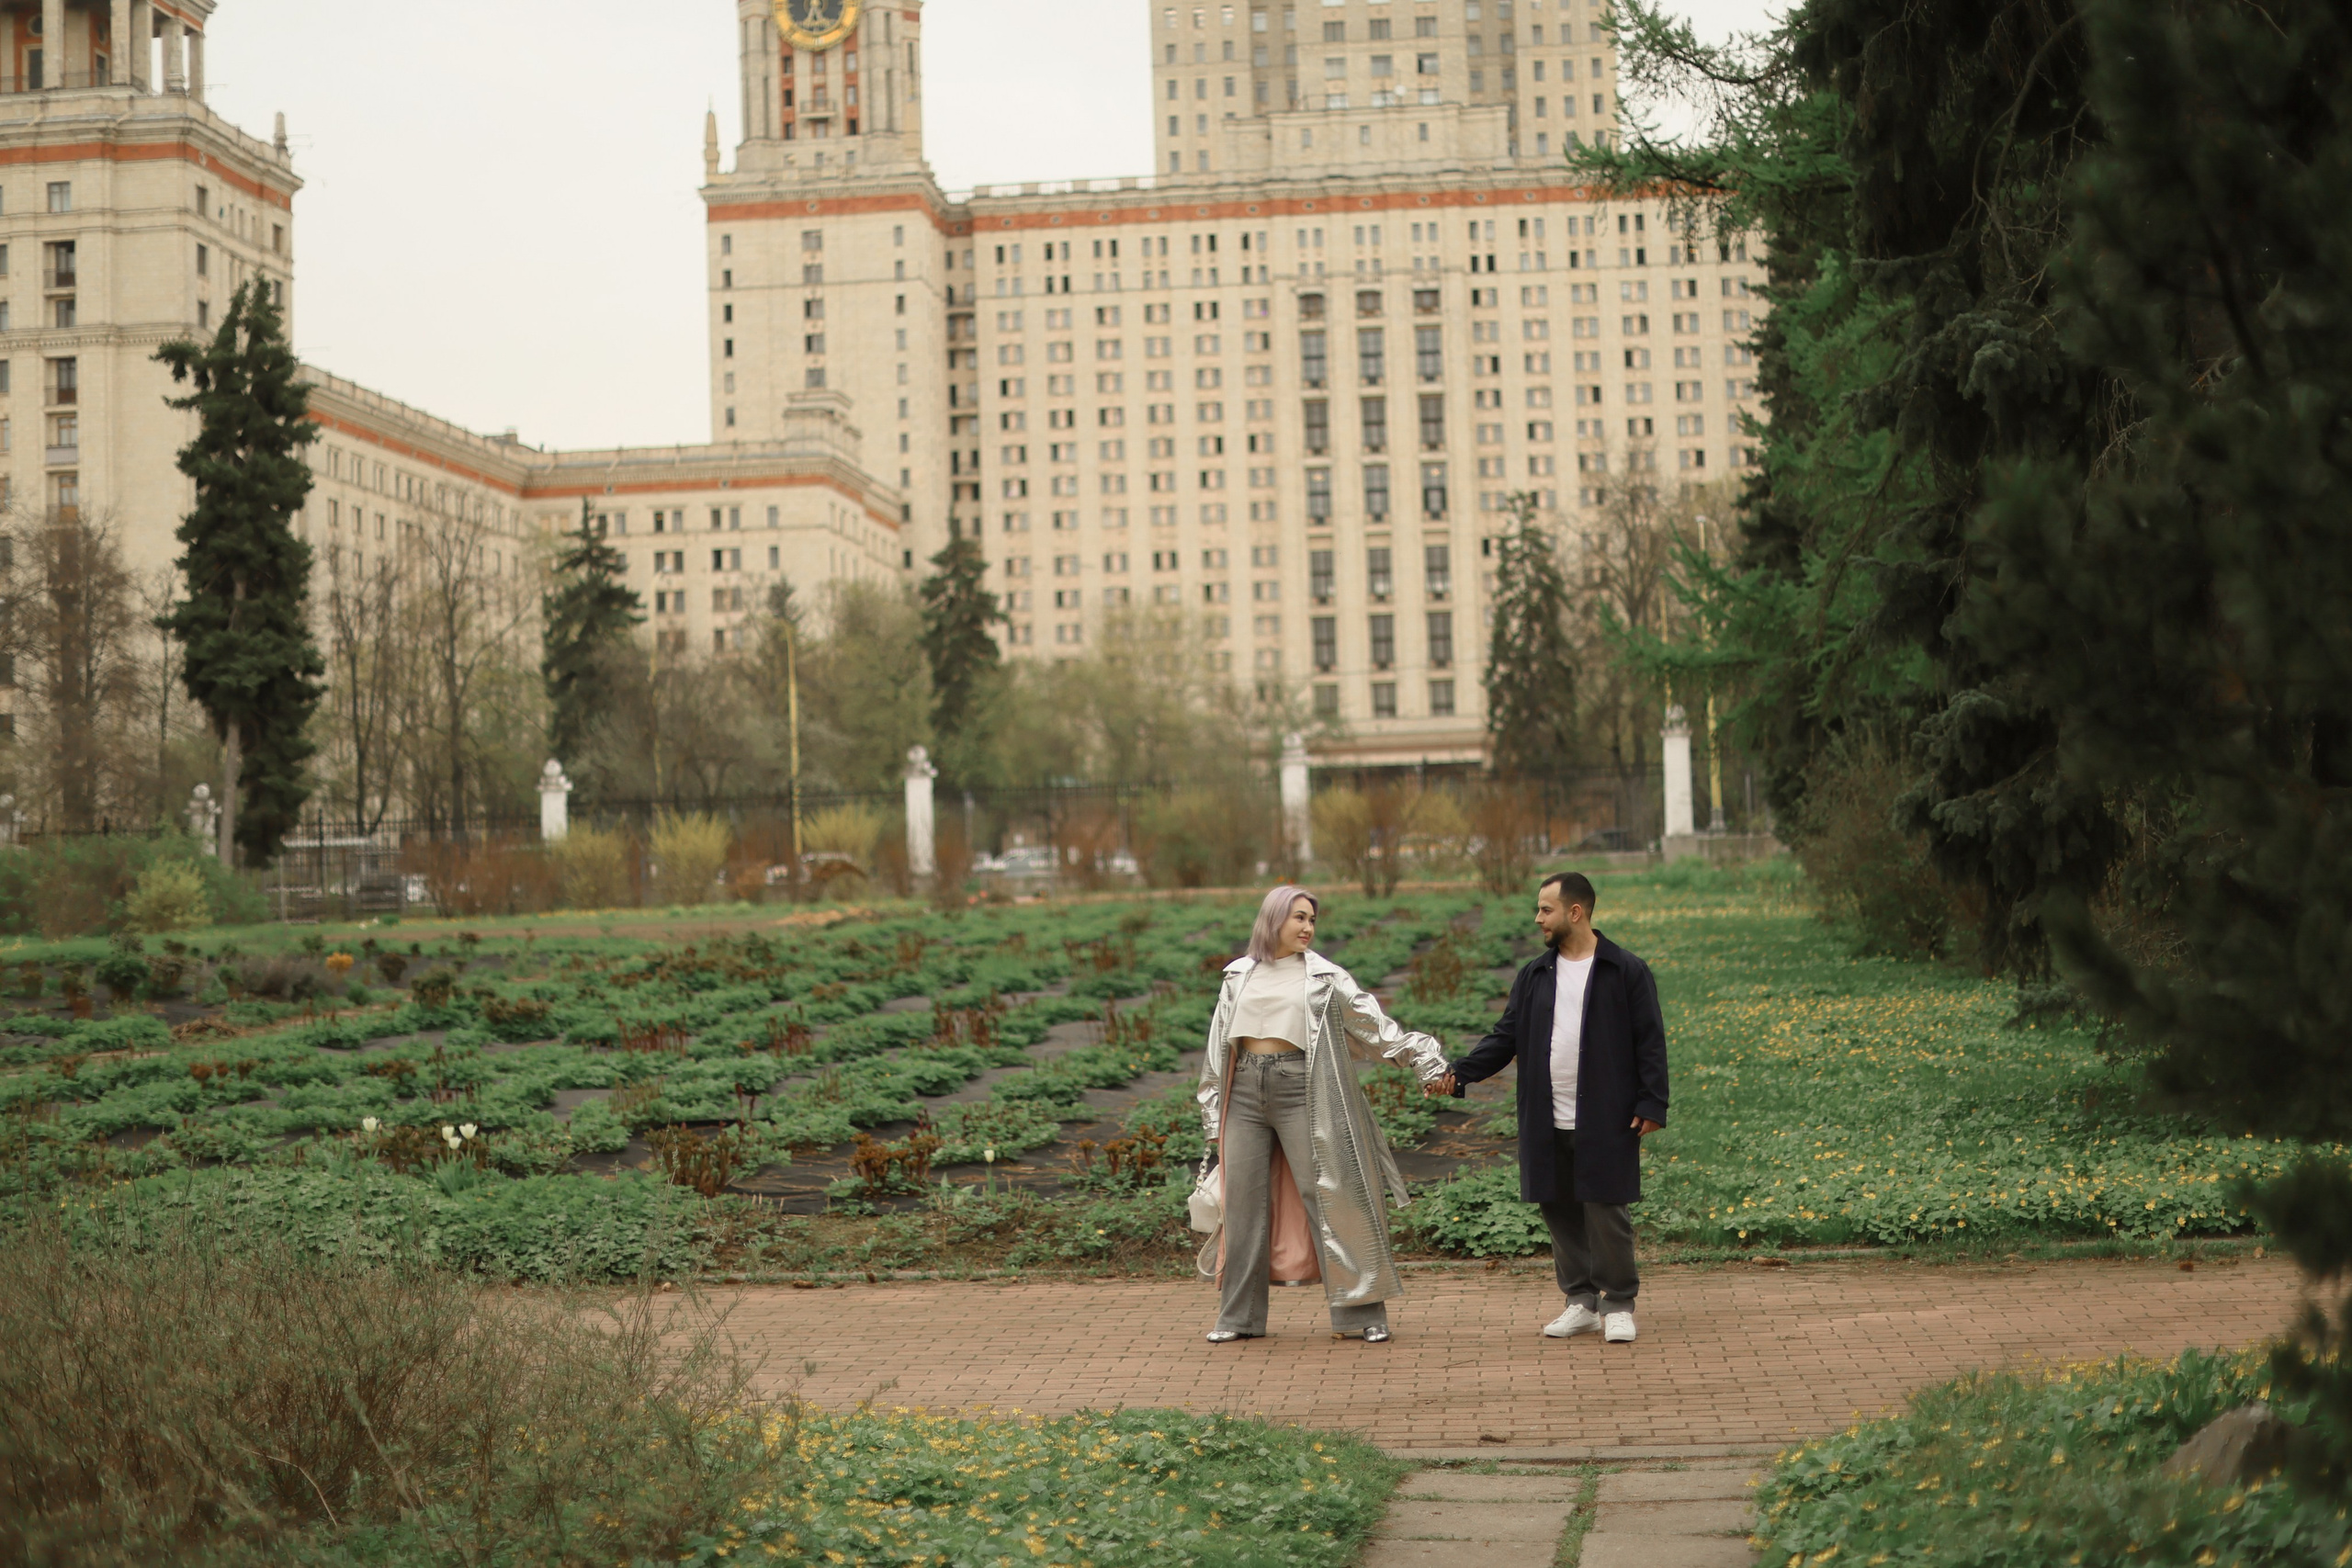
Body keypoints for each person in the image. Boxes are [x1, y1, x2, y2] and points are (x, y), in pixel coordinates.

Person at [1196, 884, 1454, 1344]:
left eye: (1312, 920)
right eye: (1299, 917)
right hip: (1245, 1093)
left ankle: (1361, 1314)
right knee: (1242, 1207)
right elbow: (1218, 1049)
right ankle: (1238, 1319)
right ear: (1273, 919)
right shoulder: (1238, 974)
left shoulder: (1325, 977)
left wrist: (1425, 1059)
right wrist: (1213, 1115)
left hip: (1303, 1088)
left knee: (1332, 1195)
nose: (1308, 927)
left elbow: (1375, 1028)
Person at [1434, 871, 1668, 1343]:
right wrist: (1460, 1072)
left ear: (1575, 912)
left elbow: (1650, 1040)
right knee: (1558, 1208)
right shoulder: (1535, 974)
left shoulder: (1625, 969)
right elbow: (1506, 1036)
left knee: (1606, 1208)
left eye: (1546, 909)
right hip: (1546, 1112)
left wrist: (1651, 1102)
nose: (1538, 918)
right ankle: (1580, 1301)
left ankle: (1618, 1303)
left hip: (1607, 1112)